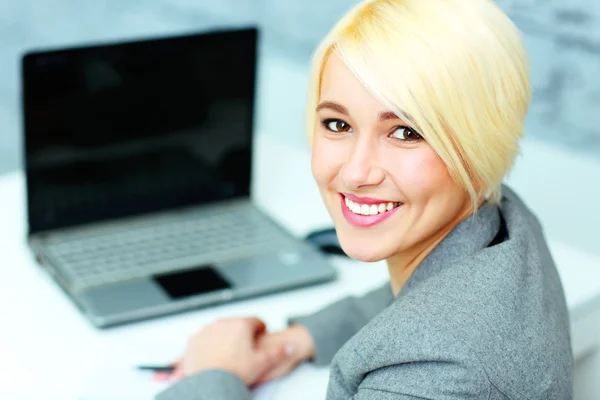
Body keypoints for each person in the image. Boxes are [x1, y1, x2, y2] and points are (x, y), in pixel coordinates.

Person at [156, 0, 573, 398]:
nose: (355, 173)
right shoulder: (505, 227)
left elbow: (436, 340)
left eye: (406, 132)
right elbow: (425, 300)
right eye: (337, 123)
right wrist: (293, 342)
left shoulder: (438, 374)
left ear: (481, 147)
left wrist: (214, 375)